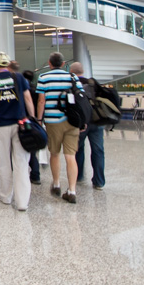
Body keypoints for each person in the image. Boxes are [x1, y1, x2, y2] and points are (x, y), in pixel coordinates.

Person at [0, 53, 35, 210]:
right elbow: (28, 99)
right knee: (21, 162)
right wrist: (33, 118)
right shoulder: (19, 78)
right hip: (20, 124)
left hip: (1, 125)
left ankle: (6, 197)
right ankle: (22, 202)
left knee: (4, 161)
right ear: (7, 63)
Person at [36, 52, 84, 204]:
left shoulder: (43, 78)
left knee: (54, 153)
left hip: (53, 121)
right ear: (63, 64)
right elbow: (81, 99)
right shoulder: (73, 77)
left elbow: (41, 101)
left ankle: (56, 183)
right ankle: (72, 190)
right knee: (70, 156)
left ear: (49, 63)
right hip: (72, 121)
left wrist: (39, 119)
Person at [70, 62, 105, 190]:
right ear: (82, 71)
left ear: (71, 72)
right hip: (97, 122)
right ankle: (99, 181)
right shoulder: (93, 83)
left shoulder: (73, 85)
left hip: (81, 122)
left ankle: (78, 175)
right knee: (98, 150)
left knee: (78, 148)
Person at [21, 68, 41, 185]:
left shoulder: (22, 89)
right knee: (32, 149)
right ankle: (35, 175)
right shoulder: (36, 89)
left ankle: (17, 172)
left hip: (23, 120)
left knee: (19, 148)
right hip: (33, 121)